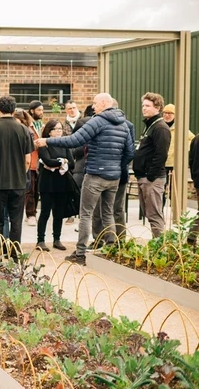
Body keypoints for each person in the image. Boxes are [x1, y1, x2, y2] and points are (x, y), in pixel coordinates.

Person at [36, 93, 134, 265]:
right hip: (114, 176)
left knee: (86, 214)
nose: (93, 107)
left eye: (95, 103)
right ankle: (110, 248)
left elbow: (74, 140)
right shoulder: (124, 124)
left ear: (104, 103)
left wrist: (47, 141)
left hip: (96, 174)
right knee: (108, 212)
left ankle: (80, 254)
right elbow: (130, 152)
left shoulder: (98, 121)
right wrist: (116, 166)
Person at [0, 96, 34, 259]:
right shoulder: (24, 130)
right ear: (14, 110)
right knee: (16, 220)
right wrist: (21, 173)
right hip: (18, 182)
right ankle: (14, 254)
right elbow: (28, 159)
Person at [92, 99, 134, 244]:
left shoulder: (128, 126)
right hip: (111, 171)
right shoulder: (98, 122)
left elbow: (129, 151)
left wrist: (118, 165)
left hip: (118, 174)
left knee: (117, 208)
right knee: (99, 209)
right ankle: (99, 238)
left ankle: (120, 240)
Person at [133, 92, 171, 239]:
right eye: (143, 105)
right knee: (149, 214)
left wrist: (150, 176)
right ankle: (158, 245)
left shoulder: (160, 128)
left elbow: (161, 155)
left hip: (152, 179)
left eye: (148, 106)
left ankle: (161, 247)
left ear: (158, 107)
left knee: (154, 215)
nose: (144, 108)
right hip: (144, 177)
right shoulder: (150, 125)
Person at [36, 120, 74, 252]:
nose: (59, 131)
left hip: (62, 183)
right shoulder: (43, 144)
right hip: (47, 183)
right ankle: (40, 240)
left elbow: (73, 163)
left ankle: (56, 239)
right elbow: (47, 161)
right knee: (45, 212)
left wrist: (58, 162)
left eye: (60, 129)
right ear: (49, 131)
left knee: (58, 213)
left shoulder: (65, 144)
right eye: (56, 129)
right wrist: (62, 162)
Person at [162, 104, 194, 206]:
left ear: (175, 115)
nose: (167, 115)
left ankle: (174, 211)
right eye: (165, 113)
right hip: (161, 163)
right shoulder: (160, 126)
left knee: (174, 190)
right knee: (160, 190)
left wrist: (184, 150)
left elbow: (191, 139)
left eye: (170, 113)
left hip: (174, 164)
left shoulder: (180, 128)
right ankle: (160, 212)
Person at [25, 100, 44, 226]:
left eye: (42, 110)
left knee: (37, 190)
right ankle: (30, 214)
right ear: (32, 111)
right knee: (30, 190)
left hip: (40, 162)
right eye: (39, 110)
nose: (41, 112)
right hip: (30, 161)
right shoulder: (27, 126)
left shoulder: (41, 126)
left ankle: (33, 212)